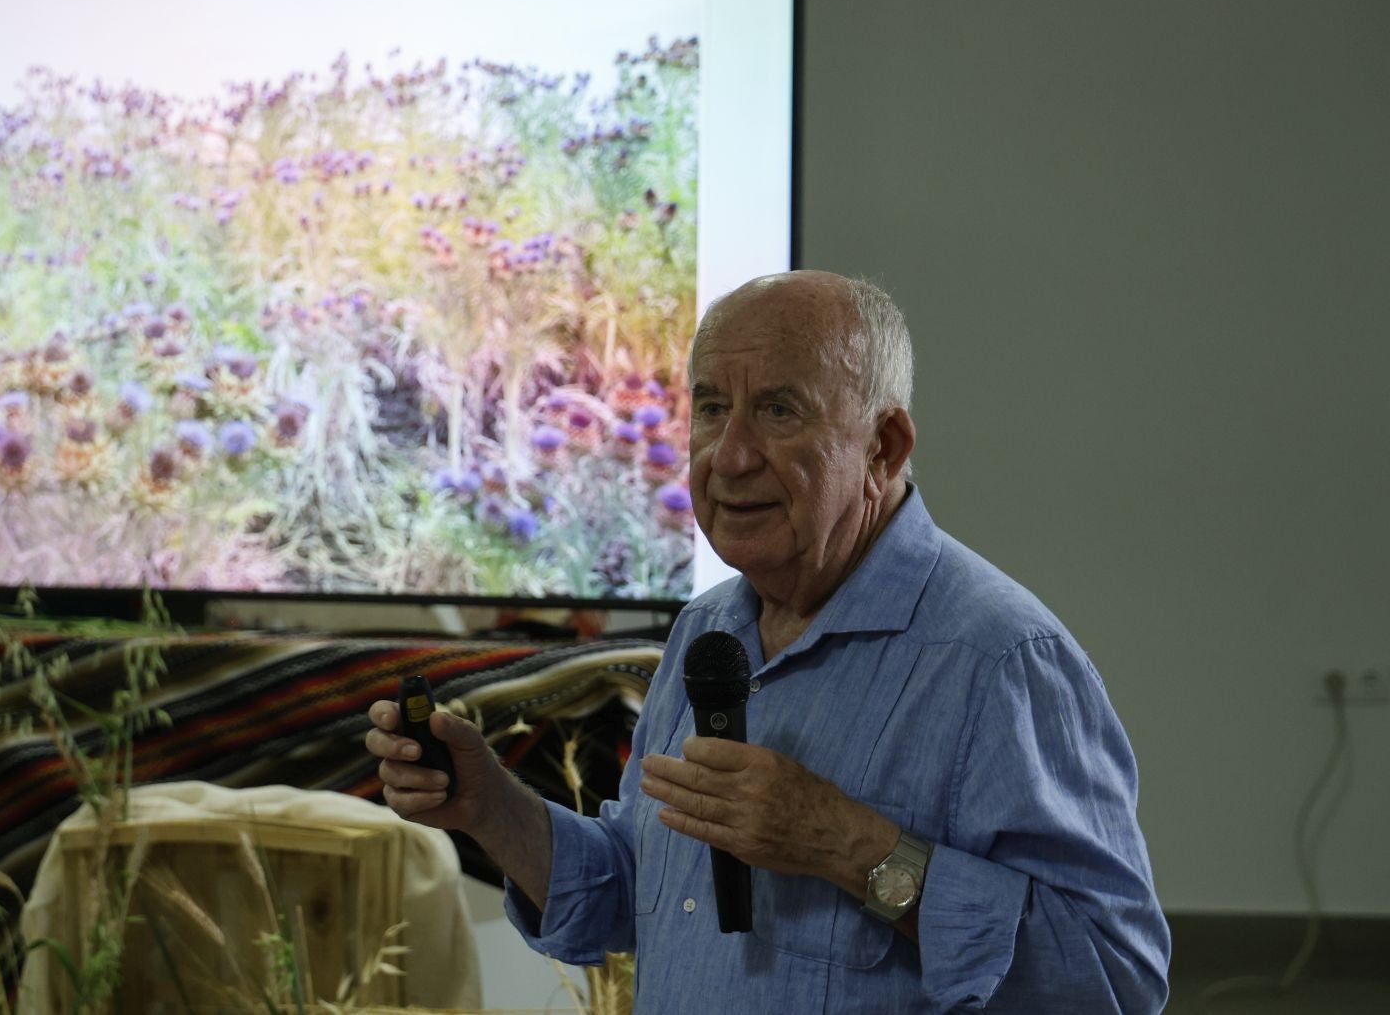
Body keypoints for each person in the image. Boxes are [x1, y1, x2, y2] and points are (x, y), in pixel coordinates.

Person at [366, 270, 1171, 1012]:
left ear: (882, 449)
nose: (731, 456)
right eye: (712, 408)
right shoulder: (706, 632)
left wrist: (852, 848)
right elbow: (643, 895)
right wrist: (491, 809)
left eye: (780, 411)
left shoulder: (999, 659)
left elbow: (1114, 977)